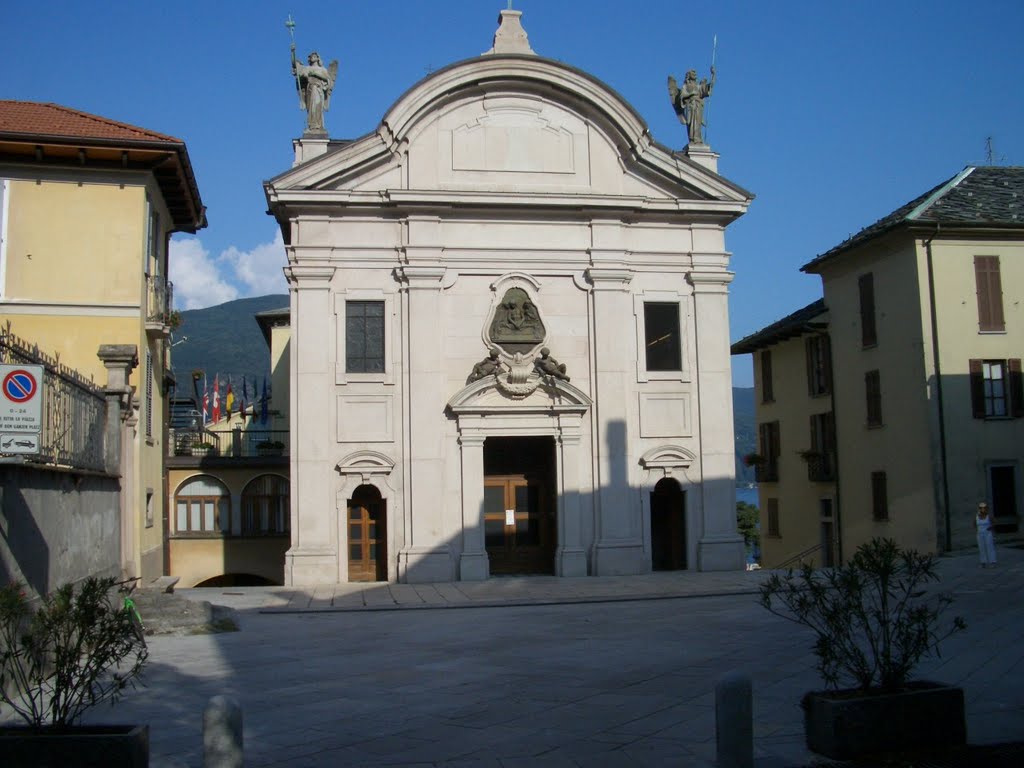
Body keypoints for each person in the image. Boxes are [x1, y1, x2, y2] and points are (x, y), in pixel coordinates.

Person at [291, 46, 337, 133]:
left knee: (317, 107)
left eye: (314, 56)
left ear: (317, 58)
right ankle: (312, 127)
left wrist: (315, 74)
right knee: (311, 109)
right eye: (311, 56)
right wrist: (293, 52)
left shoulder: (322, 69)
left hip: (318, 89)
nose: (313, 57)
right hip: (310, 89)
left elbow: (328, 80)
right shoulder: (307, 68)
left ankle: (318, 127)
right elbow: (295, 66)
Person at [667, 67, 715, 145]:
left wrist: (713, 75)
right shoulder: (685, 86)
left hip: (698, 106)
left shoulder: (698, 87)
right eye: (692, 73)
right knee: (691, 124)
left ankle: (698, 139)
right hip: (690, 107)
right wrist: (692, 94)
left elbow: (710, 87)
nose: (694, 73)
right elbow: (682, 96)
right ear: (689, 75)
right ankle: (693, 139)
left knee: (697, 124)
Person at [975, 502, 997, 567]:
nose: (983, 509)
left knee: (990, 547)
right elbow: (974, 524)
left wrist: (991, 527)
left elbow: (994, 523)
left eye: (984, 508)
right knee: (981, 548)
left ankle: (992, 562)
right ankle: (983, 562)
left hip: (988, 534)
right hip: (979, 534)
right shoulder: (976, 516)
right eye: (981, 508)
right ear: (979, 509)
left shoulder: (989, 516)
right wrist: (978, 530)